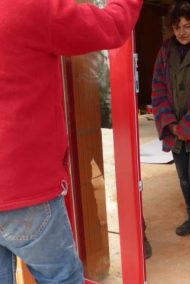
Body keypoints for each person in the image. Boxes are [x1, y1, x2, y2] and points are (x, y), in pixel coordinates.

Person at [0, 0, 142, 283]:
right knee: (61, 278)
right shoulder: (27, 8)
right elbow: (112, 25)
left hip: (20, 189)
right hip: (24, 191)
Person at [151, 0, 190, 255]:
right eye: (177, 27)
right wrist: (170, 123)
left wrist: (187, 127)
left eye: (187, 25)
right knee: (184, 179)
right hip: (174, 128)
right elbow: (158, 89)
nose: (182, 32)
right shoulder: (165, 50)